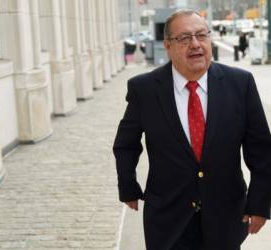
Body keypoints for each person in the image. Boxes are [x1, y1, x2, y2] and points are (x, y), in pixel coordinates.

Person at [113, 9, 271, 250]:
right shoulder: (144, 89)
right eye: (184, 38)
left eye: (201, 35)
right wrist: (128, 185)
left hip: (226, 217)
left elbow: (261, 152)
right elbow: (126, 144)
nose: (195, 44)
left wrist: (259, 204)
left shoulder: (241, 84)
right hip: (167, 218)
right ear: (167, 46)